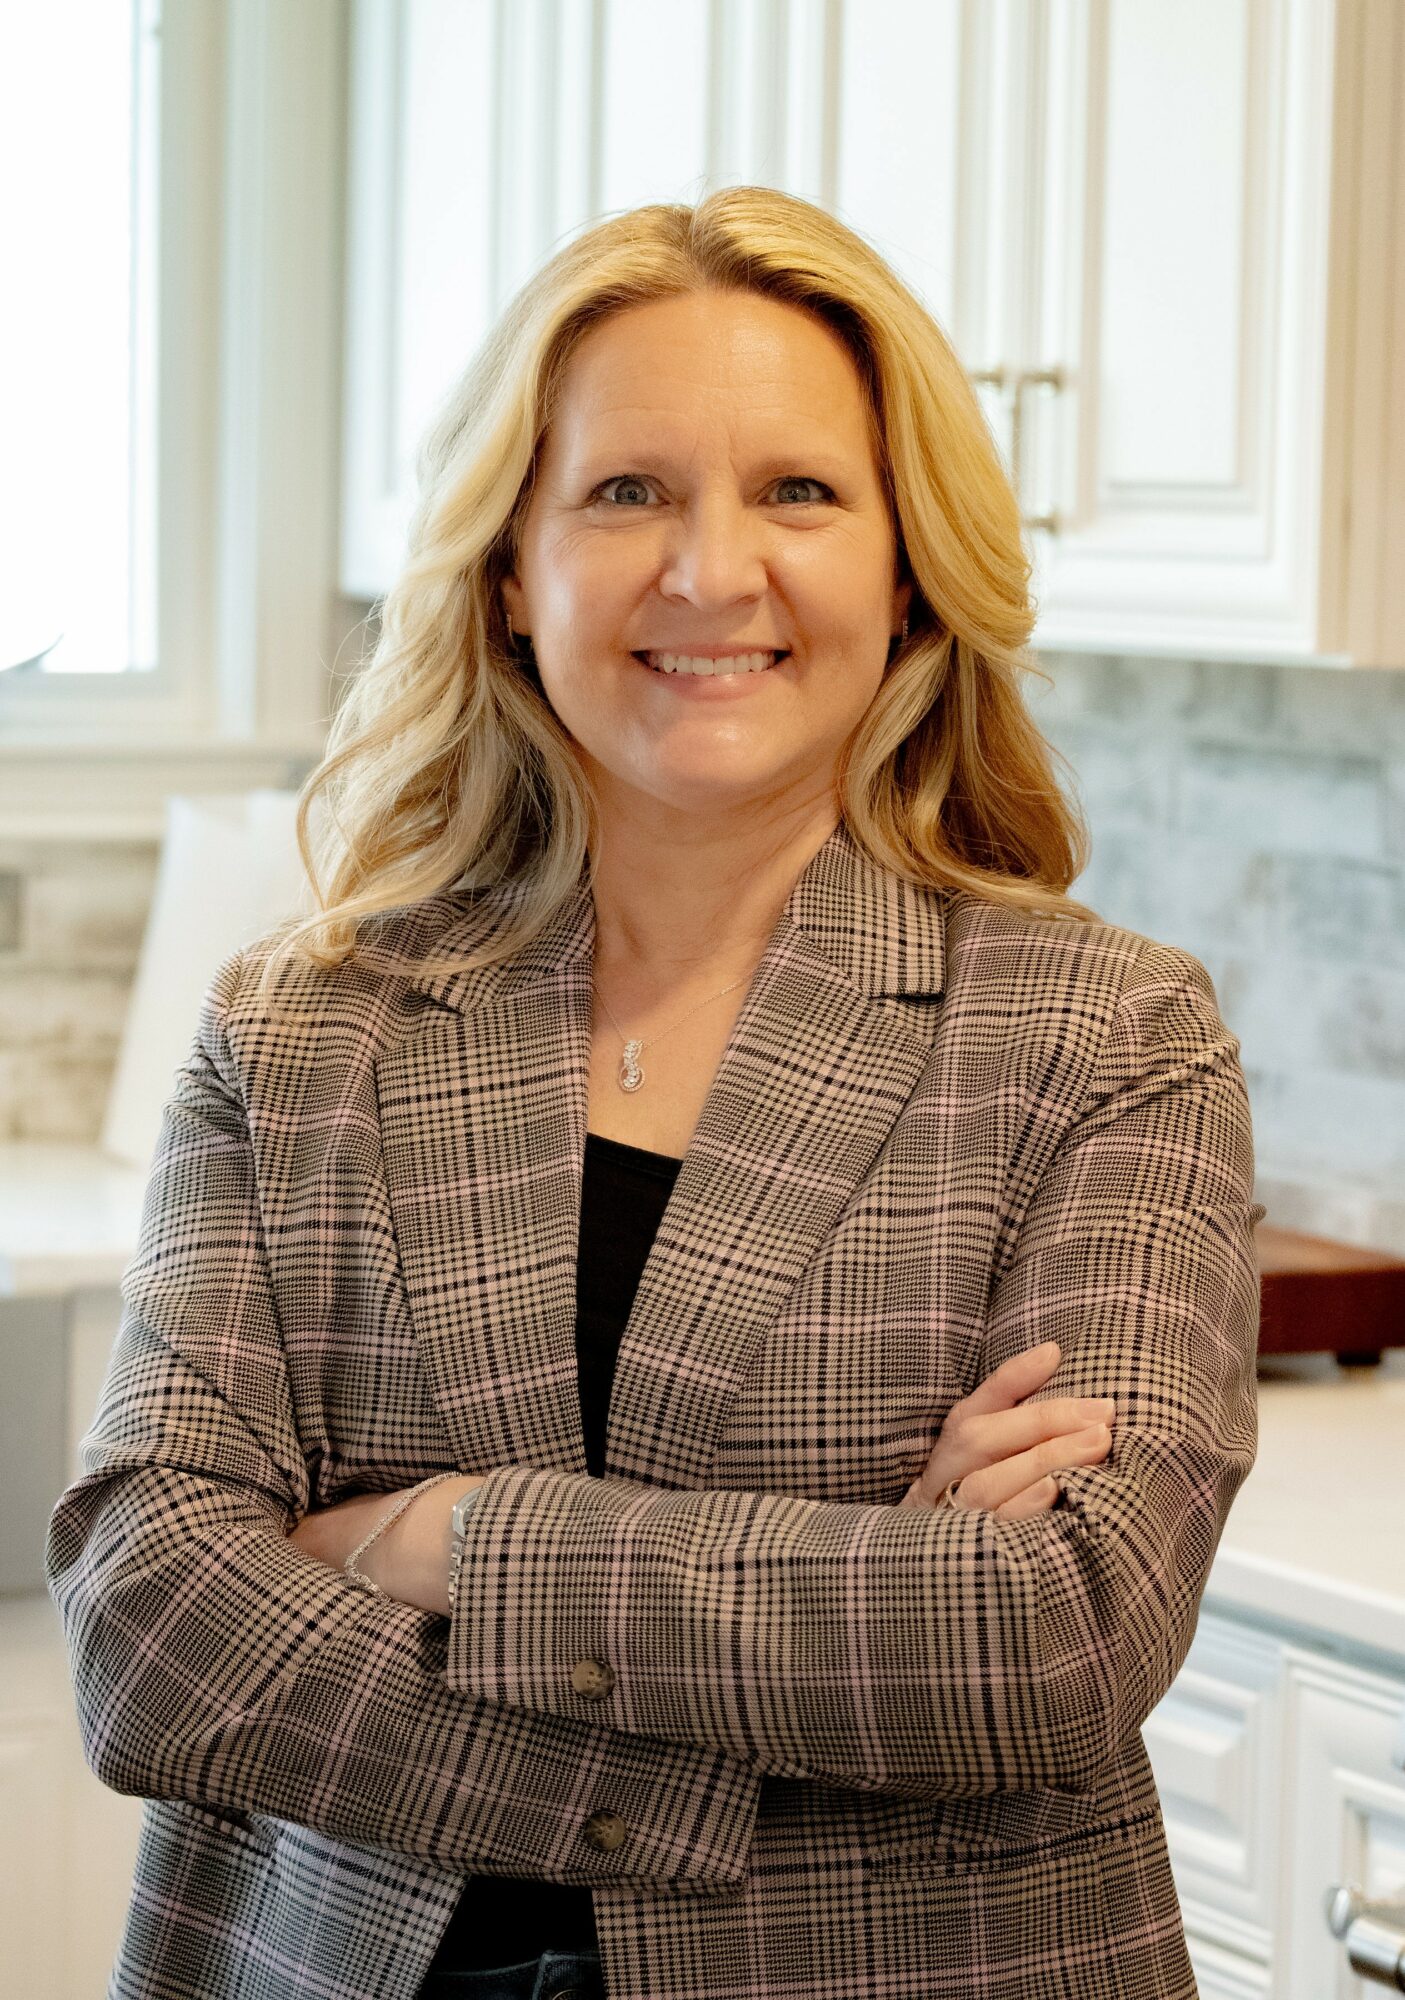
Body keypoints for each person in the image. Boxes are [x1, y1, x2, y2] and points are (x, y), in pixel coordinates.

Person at [46, 185, 1263, 2000]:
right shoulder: (303, 1032)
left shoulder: (1103, 1039)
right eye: (623, 493)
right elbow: (152, 1631)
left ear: (906, 563)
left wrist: (436, 1534)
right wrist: (850, 1609)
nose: (709, 573)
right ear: (509, 578)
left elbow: (1048, 1636)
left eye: (798, 491)